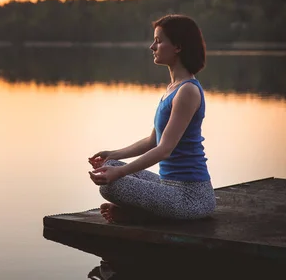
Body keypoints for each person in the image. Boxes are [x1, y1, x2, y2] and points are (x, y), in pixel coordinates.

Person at [88, 14, 215, 224]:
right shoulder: (172, 89)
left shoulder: (188, 91)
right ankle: (136, 213)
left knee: (111, 184)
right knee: (109, 165)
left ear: (178, 46)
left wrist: (119, 173)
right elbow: (153, 141)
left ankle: (135, 215)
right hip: (169, 186)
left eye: (158, 41)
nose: (152, 47)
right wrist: (113, 154)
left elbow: (165, 149)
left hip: (191, 197)